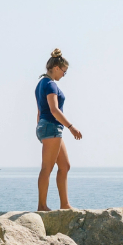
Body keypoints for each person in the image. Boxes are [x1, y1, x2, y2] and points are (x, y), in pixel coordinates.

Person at [35, 48, 81, 211]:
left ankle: (65, 204)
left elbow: (40, 111)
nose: (64, 74)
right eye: (64, 71)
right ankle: (42, 206)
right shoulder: (50, 85)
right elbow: (54, 110)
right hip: (51, 126)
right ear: (56, 68)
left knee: (64, 166)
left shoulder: (41, 84)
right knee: (47, 167)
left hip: (47, 126)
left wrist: (40, 129)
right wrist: (71, 127)